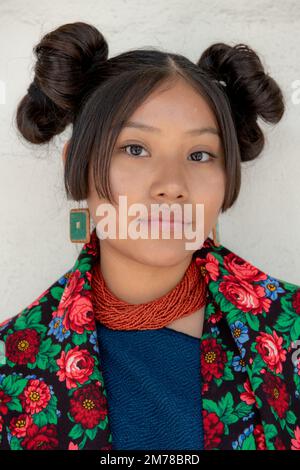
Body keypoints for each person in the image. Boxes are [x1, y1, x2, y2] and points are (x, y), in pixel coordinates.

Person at [0, 21, 299, 451]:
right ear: (75, 166)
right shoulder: (13, 364)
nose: (172, 184)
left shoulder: (290, 332)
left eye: (200, 154)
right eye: (135, 148)